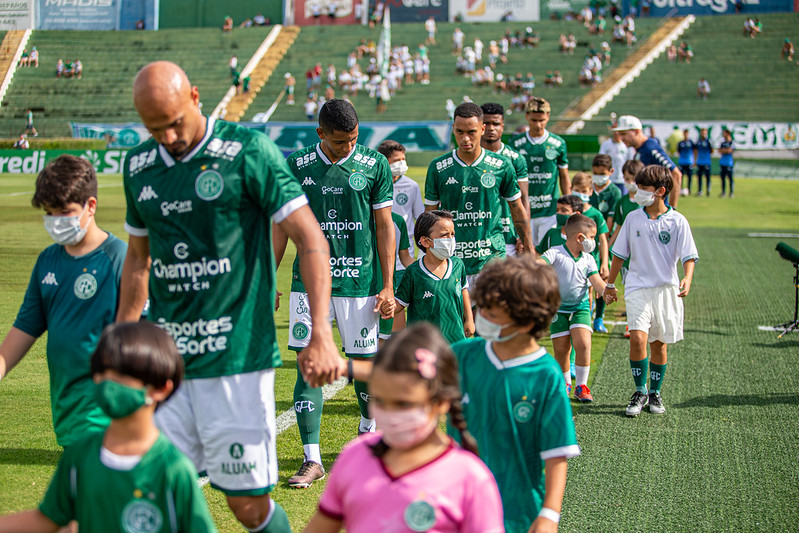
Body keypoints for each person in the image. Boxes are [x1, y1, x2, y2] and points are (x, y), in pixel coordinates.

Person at [118, 61, 340, 532]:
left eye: (176, 122)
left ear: (196, 97)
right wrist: (122, 340)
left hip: (238, 360)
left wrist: (321, 332)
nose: (169, 137)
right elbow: (139, 259)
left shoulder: (249, 151)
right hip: (167, 365)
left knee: (247, 507)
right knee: (151, 494)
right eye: (155, 128)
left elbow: (311, 239)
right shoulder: (138, 166)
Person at [278, 98, 396, 489]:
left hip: (360, 283)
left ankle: (368, 428)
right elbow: (279, 227)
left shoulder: (375, 165)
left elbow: (384, 227)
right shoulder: (296, 165)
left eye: (354, 139)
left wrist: (388, 284)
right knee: (309, 364)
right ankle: (312, 459)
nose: (348, 147)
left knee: (364, 367)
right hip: (308, 283)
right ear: (320, 135)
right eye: (341, 141)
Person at [0, 321, 218, 533]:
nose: (107, 382)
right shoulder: (79, 454)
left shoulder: (173, 469)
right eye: (102, 372)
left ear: (160, 388)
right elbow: (48, 520)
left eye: (121, 375)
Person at [305, 324, 504, 533]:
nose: (390, 413)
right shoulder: (355, 456)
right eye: (380, 401)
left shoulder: (470, 478)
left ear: (441, 402)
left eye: (404, 404)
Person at [0, 155, 126, 447]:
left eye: (65, 213)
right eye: (49, 213)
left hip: (106, 407)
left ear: (90, 206)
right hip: (66, 405)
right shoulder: (48, 261)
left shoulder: (120, 258)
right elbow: (25, 327)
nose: (56, 223)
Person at [454, 256, 580, 533]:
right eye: (481, 309)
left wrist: (549, 514)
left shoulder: (546, 376)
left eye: (491, 314)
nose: (480, 317)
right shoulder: (464, 354)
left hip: (517, 513)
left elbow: (557, 452)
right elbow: (408, 375)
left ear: (524, 322)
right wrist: (348, 367)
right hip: (458, 505)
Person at [605, 165, 698, 417]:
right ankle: (640, 390)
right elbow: (619, 255)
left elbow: (689, 255)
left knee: (659, 344)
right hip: (637, 287)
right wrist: (610, 285)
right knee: (637, 338)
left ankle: (655, 393)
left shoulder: (678, 221)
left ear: (660, 191)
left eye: (644, 188)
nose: (637, 191)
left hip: (666, 289)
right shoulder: (633, 218)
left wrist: (687, 278)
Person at [424, 102, 532, 290]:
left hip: (491, 256)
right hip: (453, 259)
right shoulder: (438, 167)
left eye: (471, 132)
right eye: (459, 132)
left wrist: (530, 251)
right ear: (453, 129)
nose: (465, 138)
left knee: (492, 317)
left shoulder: (502, 165)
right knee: (457, 319)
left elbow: (517, 210)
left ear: (482, 129)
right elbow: (429, 216)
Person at [540, 214, 607, 401]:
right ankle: (565, 383)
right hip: (557, 309)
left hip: (580, 307)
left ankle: (582, 386)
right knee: (561, 349)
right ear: (580, 238)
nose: (593, 242)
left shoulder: (589, 258)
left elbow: (596, 281)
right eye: (592, 237)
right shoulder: (556, 252)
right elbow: (541, 261)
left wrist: (606, 291)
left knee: (583, 343)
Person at [395, 210, 474, 344]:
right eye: (444, 235)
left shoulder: (458, 265)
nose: (451, 239)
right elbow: (399, 304)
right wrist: (386, 305)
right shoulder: (413, 272)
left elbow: (463, 290)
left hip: (456, 340)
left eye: (452, 234)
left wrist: (470, 319)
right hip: (424, 344)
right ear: (425, 241)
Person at [510, 97, 571, 247]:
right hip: (523, 210)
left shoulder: (558, 144)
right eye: (534, 120)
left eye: (542, 120)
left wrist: (569, 201)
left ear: (548, 117)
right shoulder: (516, 143)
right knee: (524, 253)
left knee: (547, 254)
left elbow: (564, 175)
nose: (538, 124)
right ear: (527, 117)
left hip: (549, 210)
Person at [480, 102, 529, 256]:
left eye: (495, 123)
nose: (491, 128)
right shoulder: (469, 158)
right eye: (486, 123)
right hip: (478, 236)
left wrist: (524, 235)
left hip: (509, 237)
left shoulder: (515, 158)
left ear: (503, 126)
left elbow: (524, 198)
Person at [613, 115, 681, 207]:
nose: (621, 138)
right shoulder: (639, 150)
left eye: (624, 134)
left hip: (657, 211)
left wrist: (672, 208)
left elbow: (676, 174)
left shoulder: (650, 149)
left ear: (636, 131)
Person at [571, 173, 610, 331]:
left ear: (590, 192)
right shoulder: (569, 213)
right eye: (577, 190)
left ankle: (592, 320)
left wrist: (604, 262)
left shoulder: (596, 214)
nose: (581, 193)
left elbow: (603, 240)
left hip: (590, 261)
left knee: (591, 291)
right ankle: (577, 320)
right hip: (573, 260)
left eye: (584, 190)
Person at [588, 154, 620, 333]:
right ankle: (587, 311)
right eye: (595, 173)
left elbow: (609, 220)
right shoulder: (588, 188)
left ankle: (599, 318)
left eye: (602, 173)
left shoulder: (614, 192)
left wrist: (603, 240)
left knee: (603, 277)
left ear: (611, 172)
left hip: (604, 241)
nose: (598, 177)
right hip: (586, 241)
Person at [377, 140, 423, 244]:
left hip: (406, 241)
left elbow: (420, 215)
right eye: (397, 160)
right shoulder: (374, 184)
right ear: (384, 160)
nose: (401, 163)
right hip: (380, 239)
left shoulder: (411, 185)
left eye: (403, 159)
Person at [599, 121, 634, 195]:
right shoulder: (606, 144)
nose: (616, 133)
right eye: (614, 129)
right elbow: (601, 160)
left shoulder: (627, 145)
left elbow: (630, 162)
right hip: (609, 179)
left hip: (623, 180)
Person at [694, 127, 712, 196]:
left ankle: (708, 190)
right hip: (699, 162)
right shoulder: (698, 141)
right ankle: (700, 191)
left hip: (707, 162)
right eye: (702, 132)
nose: (703, 133)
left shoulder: (708, 141)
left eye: (704, 132)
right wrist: (695, 160)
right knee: (699, 177)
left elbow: (712, 150)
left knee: (707, 177)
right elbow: (695, 150)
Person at [677, 129, 695, 196]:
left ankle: (689, 189)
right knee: (681, 177)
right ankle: (680, 189)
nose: (686, 135)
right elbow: (678, 151)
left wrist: (694, 161)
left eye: (687, 133)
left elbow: (694, 151)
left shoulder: (691, 142)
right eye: (685, 133)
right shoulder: (680, 143)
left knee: (689, 177)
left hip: (689, 162)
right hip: (682, 162)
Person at [718, 128, 735, 198]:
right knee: (723, 179)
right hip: (723, 163)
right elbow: (719, 151)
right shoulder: (723, 143)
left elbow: (730, 150)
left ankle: (731, 192)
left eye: (724, 133)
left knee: (730, 179)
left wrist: (724, 150)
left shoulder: (732, 143)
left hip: (729, 163)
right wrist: (725, 150)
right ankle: (723, 192)